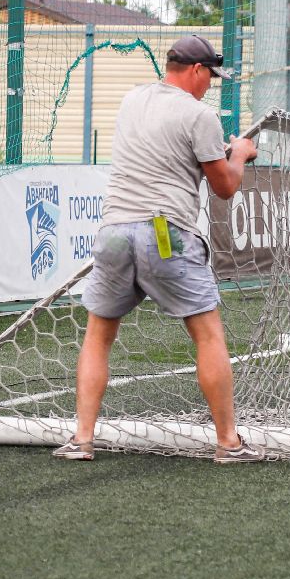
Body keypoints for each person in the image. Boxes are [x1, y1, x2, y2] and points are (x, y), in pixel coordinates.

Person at [53, 33, 265, 464]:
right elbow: (224, 187)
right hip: (164, 232)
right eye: (210, 77)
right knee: (208, 335)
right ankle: (228, 444)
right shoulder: (199, 115)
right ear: (197, 71)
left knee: (98, 336)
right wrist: (239, 154)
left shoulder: (133, 100)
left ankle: (82, 439)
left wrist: (215, 152)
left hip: (113, 231)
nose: (210, 86)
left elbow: (165, 151)